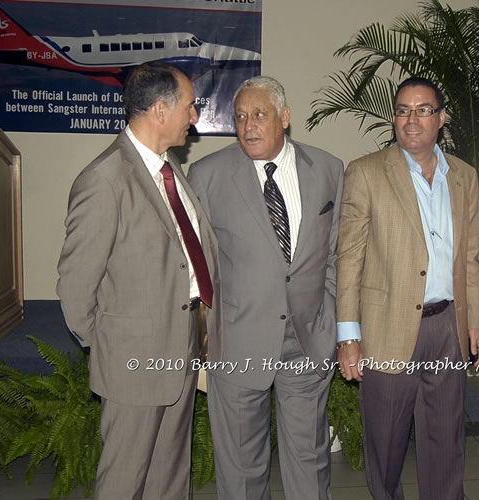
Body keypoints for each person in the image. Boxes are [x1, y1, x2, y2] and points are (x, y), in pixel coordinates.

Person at [57, 61, 221, 499]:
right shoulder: (104, 180)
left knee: (170, 475)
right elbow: (75, 286)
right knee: (123, 480)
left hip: (182, 344)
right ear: (161, 110)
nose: (195, 116)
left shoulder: (170, 170)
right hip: (132, 359)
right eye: (190, 106)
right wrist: (112, 344)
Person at [187, 76, 343, 500]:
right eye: (240, 117)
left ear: (285, 118)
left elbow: (333, 254)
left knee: (309, 462)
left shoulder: (329, 169)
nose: (248, 125)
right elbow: (195, 265)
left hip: (307, 340)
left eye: (259, 114)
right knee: (240, 468)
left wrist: (328, 314)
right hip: (238, 340)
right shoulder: (206, 176)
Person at [336, 76, 479, 500]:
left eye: (423, 110)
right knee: (384, 443)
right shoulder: (366, 173)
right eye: (403, 110)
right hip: (386, 328)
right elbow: (348, 258)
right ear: (394, 119)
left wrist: (476, 319)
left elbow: (469, 258)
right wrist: (348, 335)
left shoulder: (465, 176)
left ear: (441, 117)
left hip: (447, 327)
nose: (412, 119)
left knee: (445, 441)